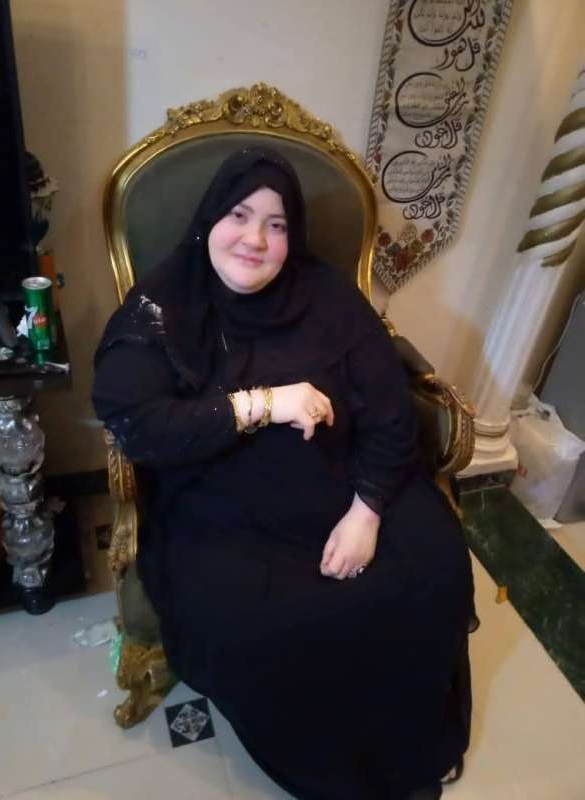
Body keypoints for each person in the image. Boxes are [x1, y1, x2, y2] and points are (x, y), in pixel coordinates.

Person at [93, 147, 476, 800]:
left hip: (347, 483)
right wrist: (263, 404)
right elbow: (138, 421)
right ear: (210, 218)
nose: (255, 239)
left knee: (431, 566)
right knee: (274, 625)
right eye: (240, 215)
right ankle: (328, 768)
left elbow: (389, 412)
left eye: (276, 225)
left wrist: (366, 513)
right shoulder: (164, 304)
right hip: (222, 512)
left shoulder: (330, 298)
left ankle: (399, 748)